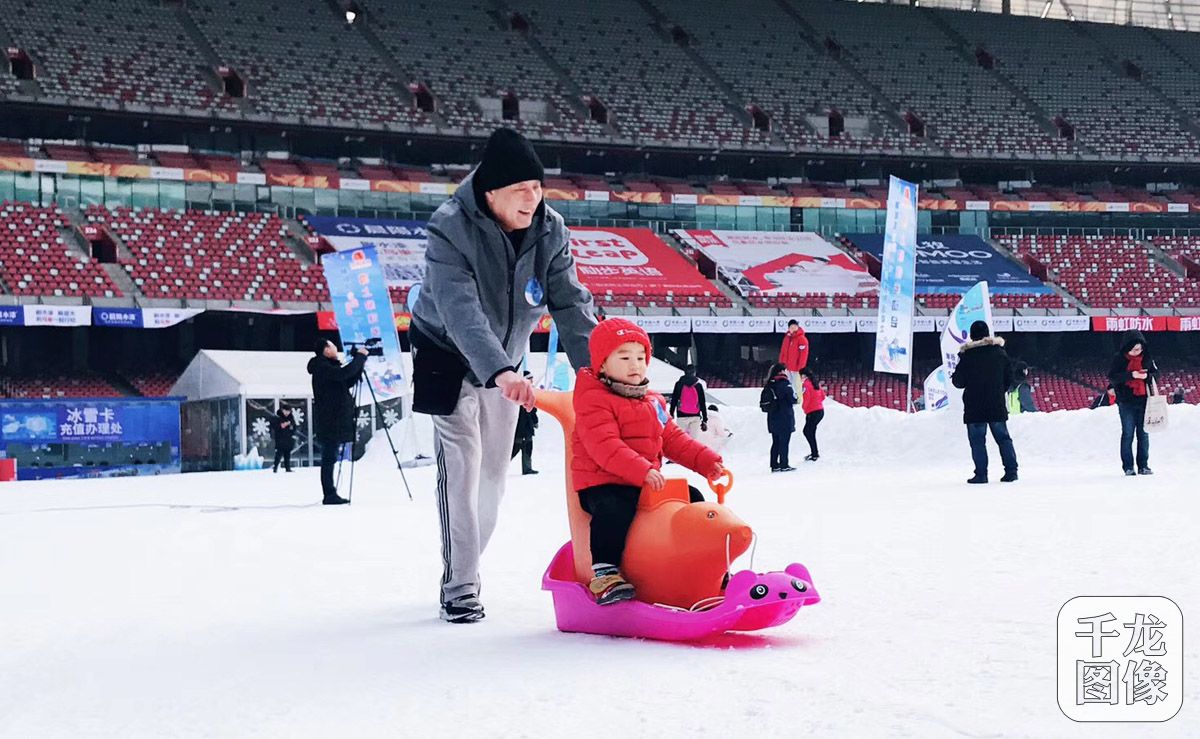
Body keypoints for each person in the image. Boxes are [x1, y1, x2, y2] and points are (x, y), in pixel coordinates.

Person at [410, 127, 596, 624]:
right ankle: (461, 586)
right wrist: (497, 371)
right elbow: (460, 311)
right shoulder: (448, 227)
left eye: (537, 189)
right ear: (491, 192)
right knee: (462, 466)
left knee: (494, 474)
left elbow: (571, 302)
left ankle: (465, 560)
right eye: (520, 191)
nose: (532, 199)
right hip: (446, 353)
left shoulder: (549, 229)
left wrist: (597, 370)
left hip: (509, 360)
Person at [572, 319, 725, 605]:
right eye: (625, 357)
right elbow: (604, 446)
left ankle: (702, 565)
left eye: (641, 357)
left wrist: (706, 461)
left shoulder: (652, 400)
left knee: (693, 500)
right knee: (615, 509)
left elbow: (673, 438)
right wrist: (642, 470)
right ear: (602, 365)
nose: (636, 365)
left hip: (644, 481)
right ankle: (604, 574)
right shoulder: (594, 399)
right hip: (602, 482)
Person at [951, 321, 1019, 484]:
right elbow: (1009, 378)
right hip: (996, 403)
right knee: (1003, 438)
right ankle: (1011, 471)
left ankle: (981, 474)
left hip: (974, 406)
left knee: (977, 441)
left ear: (972, 335)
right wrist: (997, 391)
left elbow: (958, 382)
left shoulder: (967, 356)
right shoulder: (1000, 353)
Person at [307, 340, 368, 504]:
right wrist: (360, 358)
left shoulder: (328, 367)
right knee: (329, 457)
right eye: (333, 346)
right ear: (326, 350)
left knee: (330, 456)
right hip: (329, 419)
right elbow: (343, 374)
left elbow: (346, 381)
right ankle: (329, 494)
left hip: (333, 418)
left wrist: (358, 365)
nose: (336, 349)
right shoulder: (322, 367)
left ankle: (330, 493)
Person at [1107, 330, 1159, 476]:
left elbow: (1156, 373)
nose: (1138, 352)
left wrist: (1147, 375)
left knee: (1143, 433)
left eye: (1140, 349)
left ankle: (1143, 465)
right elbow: (1112, 377)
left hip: (1144, 400)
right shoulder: (1119, 359)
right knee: (1128, 433)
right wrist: (1131, 375)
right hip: (1126, 401)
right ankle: (1128, 466)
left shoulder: (1147, 357)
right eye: (1135, 349)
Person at [761, 362, 796, 472]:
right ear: (781, 371)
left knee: (775, 442)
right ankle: (784, 464)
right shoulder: (785, 384)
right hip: (784, 416)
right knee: (784, 442)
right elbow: (792, 399)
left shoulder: (769, 384)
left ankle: (774, 464)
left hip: (772, 417)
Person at [669, 364, 708, 439]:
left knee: (681, 439)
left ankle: (680, 450)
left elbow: (674, 399)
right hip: (695, 415)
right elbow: (702, 403)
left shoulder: (679, 384)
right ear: (694, 372)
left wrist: (671, 413)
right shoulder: (698, 385)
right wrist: (704, 419)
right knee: (693, 440)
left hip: (681, 415)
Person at [511, 372, 539, 475]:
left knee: (528, 447)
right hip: (520, 426)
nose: (532, 380)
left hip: (527, 426)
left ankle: (527, 468)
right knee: (515, 448)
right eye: (530, 378)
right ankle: (499, 467)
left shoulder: (531, 392)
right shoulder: (520, 391)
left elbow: (533, 410)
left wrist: (535, 421)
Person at [799, 368, 826, 462]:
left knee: (807, 431)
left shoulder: (805, 384)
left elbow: (807, 398)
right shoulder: (815, 383)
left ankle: (814, 453)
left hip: (812, 411)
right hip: (820, 410)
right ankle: (814, 452)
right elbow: (823, 396)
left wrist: (804, 408)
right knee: (810, 431)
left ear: (803, 375)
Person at [778, 320, 809, 396]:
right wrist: (781, 364)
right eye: (791, 327)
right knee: (788, 384)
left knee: (797, 384)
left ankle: (798, 398)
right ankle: (791, 397)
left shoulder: (802, 339)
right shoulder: (786, 338)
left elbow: (803, 355)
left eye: (795, 327)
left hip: (796, 368)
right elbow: (783, 352)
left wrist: (801, 368)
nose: (793, 329)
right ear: (789, 328)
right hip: (787, 367)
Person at [272, 403, 296, 473]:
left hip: (288, 438)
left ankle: (287, 467)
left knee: (287, 454)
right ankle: (275, 467)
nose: (287, 413)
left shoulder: (291, 418)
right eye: (286, 411)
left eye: (288, 411)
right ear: (283, 410)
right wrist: (282, 425)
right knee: (279, 453)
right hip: (280, 438)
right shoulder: (278, 417)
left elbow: (294, 427)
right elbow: (275, 426)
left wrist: (290, 426)